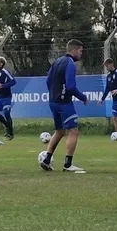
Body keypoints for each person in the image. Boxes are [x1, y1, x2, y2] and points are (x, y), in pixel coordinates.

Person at [41, 39, 87, 173]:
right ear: (73, 50)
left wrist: (54, 94)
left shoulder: (57, 61)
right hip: (64, 103)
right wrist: (82, 97)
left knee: (60, 131)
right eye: (80, 50)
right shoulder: (70, 64)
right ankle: (68, 164)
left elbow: (48, 81)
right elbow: (71, 86)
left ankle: (47, 160)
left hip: (53, 102)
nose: (81, 53)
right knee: (73, 131)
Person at [0, 57, 17, 140]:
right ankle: (7, 126)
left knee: (6, 113)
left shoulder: (5, 72)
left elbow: (13, 81)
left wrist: (3, 86)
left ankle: (11, 133)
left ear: (1, 63)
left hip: (6, 97)